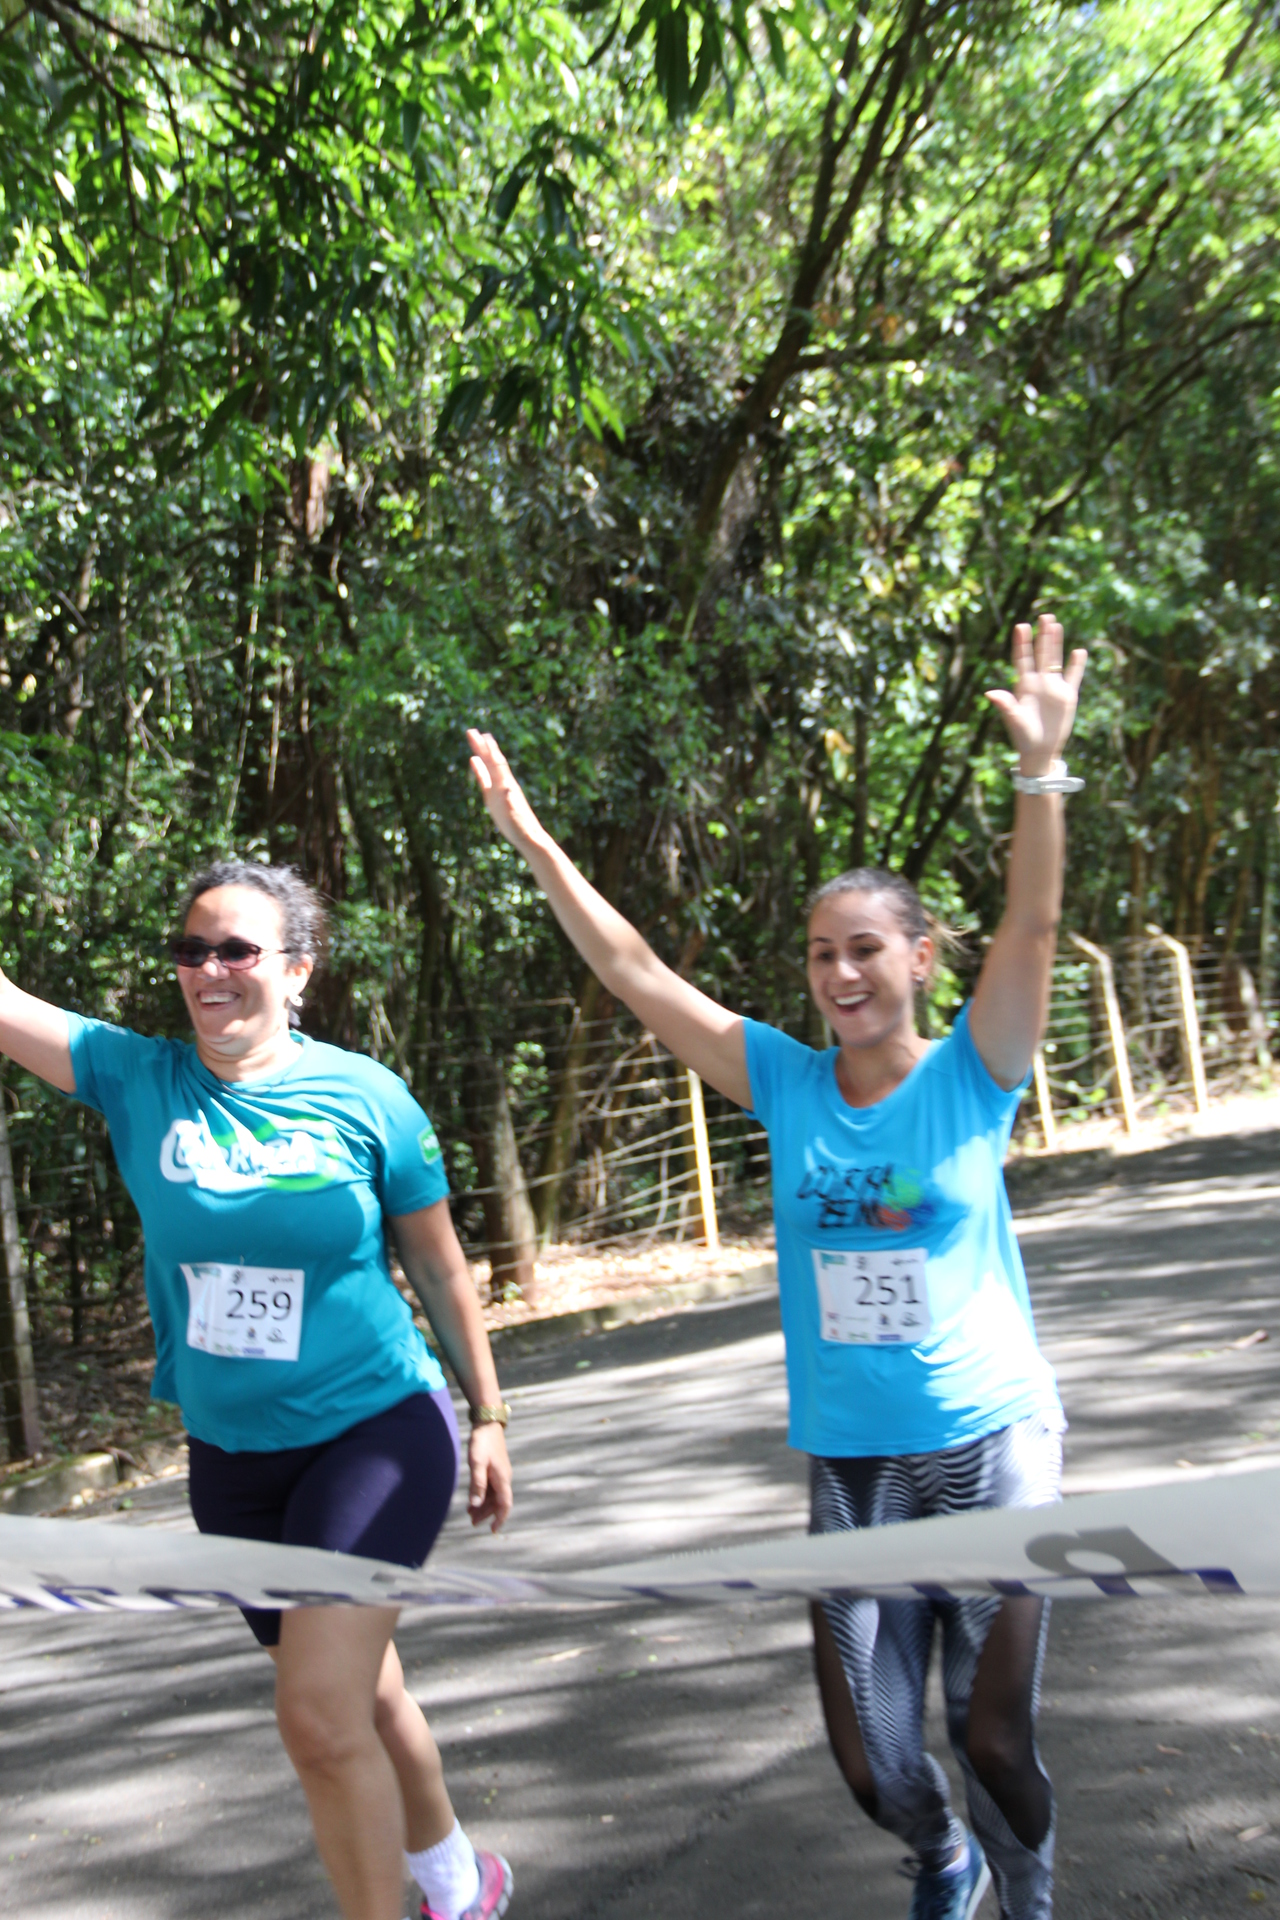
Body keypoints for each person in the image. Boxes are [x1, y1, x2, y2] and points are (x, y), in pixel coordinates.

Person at [468, 614, 1087, 1920]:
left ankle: (1027, 1891)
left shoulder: (973, 1074)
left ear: (919, 958)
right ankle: (945, 1858)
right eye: (821, 952)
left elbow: (1033, 929)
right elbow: (633, 970)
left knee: (988, 1733)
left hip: (991, 1442)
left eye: (866, 948)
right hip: (854, 1458)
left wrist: (1042, 771)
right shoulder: (786, 1082)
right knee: (872, 1762)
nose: (841, 972)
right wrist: (532, 842)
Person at [0, 860, 513, 1920]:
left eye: (237, 949)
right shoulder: (137, 1078)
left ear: (297, 969)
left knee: (317, 1717)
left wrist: (490, 1414)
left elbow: (438, 1264)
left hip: (375, 1430)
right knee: (362, 1690)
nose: (210, 970)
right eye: (191, 951)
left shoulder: (365, 1096)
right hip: (232, 1459)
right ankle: (460, 1882)